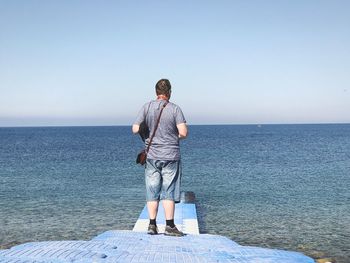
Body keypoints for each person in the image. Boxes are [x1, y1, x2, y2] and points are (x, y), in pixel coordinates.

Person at [132, 79, 188, 237]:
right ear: (169, 92)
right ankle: (169, 226)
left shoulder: (147, 107)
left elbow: (135, 128)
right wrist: (171, 136)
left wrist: (147, 135)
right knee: (169, 190)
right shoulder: (175, 109)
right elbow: (183, 133)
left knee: (152, 190)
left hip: (151, 156)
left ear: (156, 92)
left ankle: (152, 225)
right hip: (171, 155)